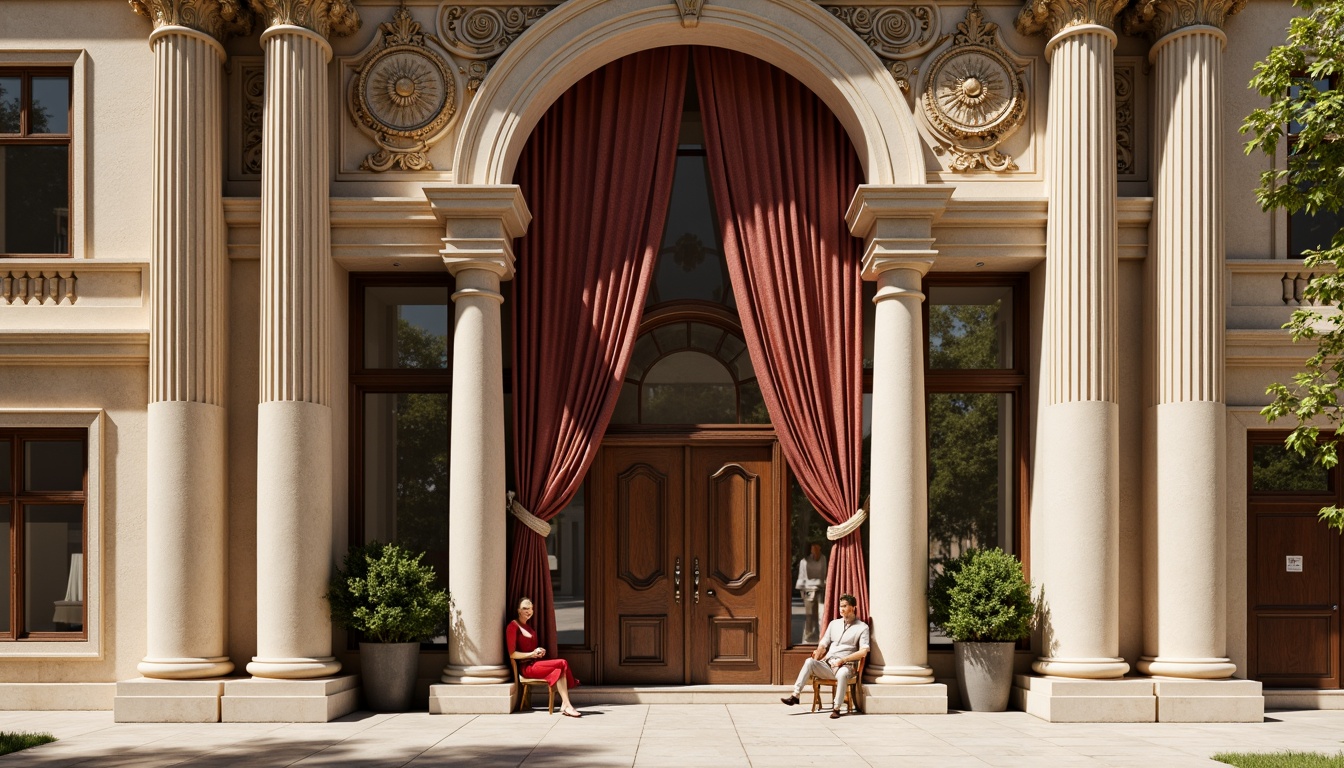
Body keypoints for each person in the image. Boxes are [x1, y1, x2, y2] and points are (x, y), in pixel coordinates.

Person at [780, 593, 869, 719]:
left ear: (853, 607)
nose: (841, 609)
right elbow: (823, 644)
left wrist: (843, 660)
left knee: (843, 673)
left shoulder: (862, 627)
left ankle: (837, 708)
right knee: (809, 662)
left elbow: (863, 652)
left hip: (845, 665)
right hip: (828, 664)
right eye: (840, 606)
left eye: (844, 606)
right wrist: (817, 655)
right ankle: (795, 696)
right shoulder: (834, 624)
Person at [507, 596, 582, 718]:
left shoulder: (530, 629)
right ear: (518, 610)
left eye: (531, 608)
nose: (528, 611)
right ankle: (568, 699)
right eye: (525, 608)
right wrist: (532, 654)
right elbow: (512, 654)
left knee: (559, 669)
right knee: (562, 662)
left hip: (534, 663)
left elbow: (531, 650)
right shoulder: (513, 626)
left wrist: (538, 652)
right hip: (526, 668)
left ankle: (566, 704)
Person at [795, 542, 828, 644]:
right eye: (813, 548)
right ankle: (808, 636)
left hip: (820, 588)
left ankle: (821, 636)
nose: (815, 550)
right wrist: (802, 591)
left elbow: (824, 573)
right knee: (809, 614)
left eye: (817, 547)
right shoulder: (804, 561)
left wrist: (826, 585)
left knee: (821, 613)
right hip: (808, 589)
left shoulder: (823, 559)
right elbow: (802, 576)